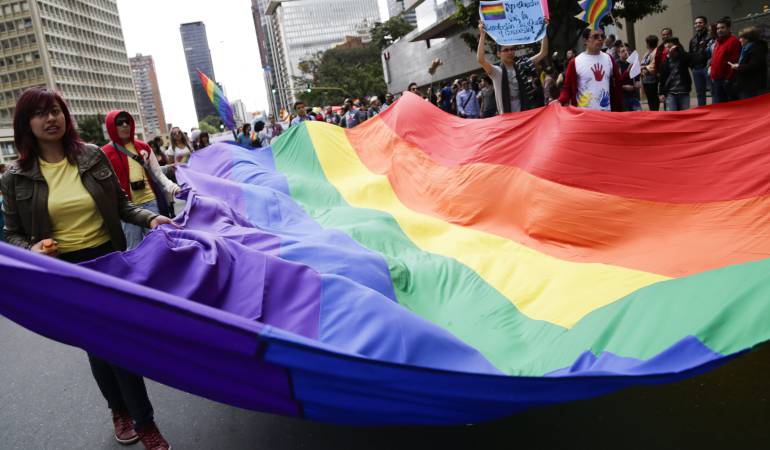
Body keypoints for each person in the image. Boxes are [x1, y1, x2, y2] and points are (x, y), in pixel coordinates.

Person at [1, 87, 173, 450]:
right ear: (26, 124)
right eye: (41, 113)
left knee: (117, 343)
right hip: (65, 272)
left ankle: (143, 421)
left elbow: (124, 206)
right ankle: (122, 412)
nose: (51, 119)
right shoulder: (15, 177)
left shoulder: (92, 156)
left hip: (109, 260)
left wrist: (152, 218)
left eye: (56, 110)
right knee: (97, 346)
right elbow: (12, 234)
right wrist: (31, 248)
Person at [102, 110, 179, 249]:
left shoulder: (143, 147)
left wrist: (174, 188)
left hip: (150, 203)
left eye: (127, 121)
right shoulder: (104, 153)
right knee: (134, 250)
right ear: (111, 127)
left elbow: (158, 174)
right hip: (127, 211)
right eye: (119, 123)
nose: (125, 125)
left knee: (158, 246)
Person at [477, 22, 548, 114]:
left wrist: (544, 29)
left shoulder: (522, 66)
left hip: (525, 112)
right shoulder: (496, 71)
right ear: (499, 54)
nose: (510, 52)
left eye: (512, 49)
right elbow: (481, 60)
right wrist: (482, 34)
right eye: (506, 50)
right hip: (506, 117)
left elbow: (543, 52)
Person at [559, 28, 624, 111]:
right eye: (595, 36)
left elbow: (618, 83)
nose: (600, 39)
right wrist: (560, 101)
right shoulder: (575, 62)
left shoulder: (609, 59)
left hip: (607, 115)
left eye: (602, 36)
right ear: (585, 40)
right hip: (584, 116)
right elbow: (567, 88)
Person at [728, 26, 768, 100]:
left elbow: (753, 66)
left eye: (741, 38)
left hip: (752, 86)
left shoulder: (757, 49)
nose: (739, 40)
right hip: (746, 85)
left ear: (748, 39)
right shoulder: (746, 48)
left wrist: (738, 66)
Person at [710, 17, 741, 104]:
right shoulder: (718, 42)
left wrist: (728, 79)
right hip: (717, 80)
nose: (719, 30)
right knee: (721, 106)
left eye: (722, 27)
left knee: (731, 106)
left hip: (726, 81)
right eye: (718, 28)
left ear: (728, 28)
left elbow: (734, 61)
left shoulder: (733, 41)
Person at [659, 37, 692, 111]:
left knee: (685, 115)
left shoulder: (683, 58)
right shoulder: (664, 62)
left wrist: (678, 49)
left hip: (684, 92)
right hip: (670, 93)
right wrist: (661, 93)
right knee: (672, 116)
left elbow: (690, 58)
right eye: (667, 47)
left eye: (670, 47)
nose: (669, 49)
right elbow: (662, 79)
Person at [689, 16, 712, 107]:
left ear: (705, 24)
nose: (698, 24)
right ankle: (702, 111)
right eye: (696, 23)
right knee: (700, 93)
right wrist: (692, 66)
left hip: (707, 67)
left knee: (712, 91)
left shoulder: (709, 37)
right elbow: (691, 54)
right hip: (696, 69)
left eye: (700, 22)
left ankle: (716, 111)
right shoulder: (693, 39)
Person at [640, 35, 661, 110]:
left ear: (649, 43)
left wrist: (644, 67)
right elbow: (643, 63)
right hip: (646, 80)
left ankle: (655, 112)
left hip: (652, 80)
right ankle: (652, 111)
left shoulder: (656, 52)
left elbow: (653, 65)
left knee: (653, 99)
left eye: (647, 43)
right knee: (649, 99)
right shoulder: (648, 53)